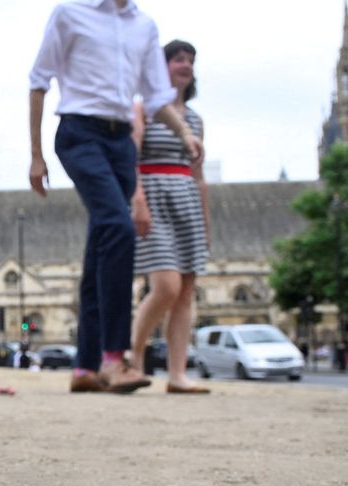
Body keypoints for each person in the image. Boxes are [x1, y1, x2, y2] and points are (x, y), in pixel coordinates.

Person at [29, 0, 203, 393]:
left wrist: (184, 133)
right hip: (79, 132)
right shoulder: (69, 14)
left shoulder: (143, 25)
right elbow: (39, 81)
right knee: (118, 228)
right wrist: (37, 155)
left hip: (121, 142)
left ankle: (84, 367)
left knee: (99, 249)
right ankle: (114, 357)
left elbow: (157, 97)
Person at [128, 39, 211, 394]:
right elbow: (130, 157)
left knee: (186, 292)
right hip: (154, 194)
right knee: (165, 286)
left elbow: (199, 176)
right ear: (161, 68)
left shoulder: (194, 119)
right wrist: (137, 199)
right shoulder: (143, 109)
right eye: (178, 59)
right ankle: (133, 359)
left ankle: (177, 374)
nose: (186, 65)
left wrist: (206, 223)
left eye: (190, 60)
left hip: (186, 199)